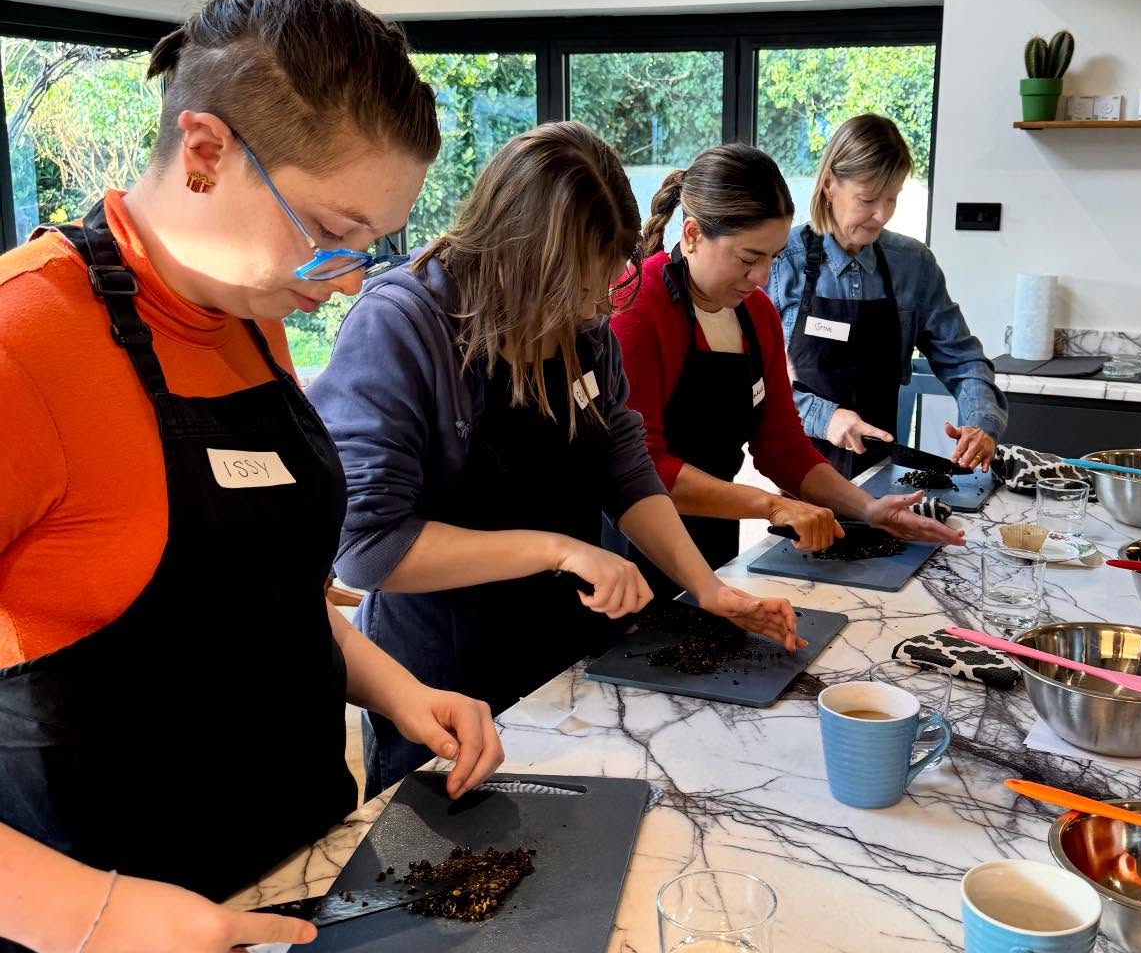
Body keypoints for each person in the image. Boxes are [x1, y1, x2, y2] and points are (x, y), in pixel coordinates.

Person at [0, 0, 505, 953]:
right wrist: (85, 918)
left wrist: (389, 679)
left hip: (285, 909)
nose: (347, 271)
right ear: (208, 153)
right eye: (336, 231)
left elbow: (258, 590)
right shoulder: (23, 344)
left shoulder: (248, 310)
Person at [312, 122, 798, 797]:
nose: (598, 308)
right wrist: (557, 550)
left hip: (561, 655)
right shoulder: (402, 325)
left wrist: (705, 586)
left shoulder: (582, 329)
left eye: (606, 283)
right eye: (579, 288)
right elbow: (366, 548)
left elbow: (626, 464)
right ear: (517, 257)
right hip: (444, 674)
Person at [611, 143, 956, 575]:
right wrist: (771, 507)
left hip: (714, 537)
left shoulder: (756, 314)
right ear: (694, 234)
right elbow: (644, 467)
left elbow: (782, 445)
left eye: (772, 258)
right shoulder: (639, 308)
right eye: (748, 259)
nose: (762, 278)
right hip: (632, 553)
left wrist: (868, 508)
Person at [768, 112, 1007, 476]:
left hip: (878, 476)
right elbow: (752, 384)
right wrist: (825, 417)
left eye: (892, 199)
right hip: (797, 478)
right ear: (830, 184)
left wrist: (980, 423)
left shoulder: (912, 265)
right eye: (868, 200)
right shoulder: (780, 262)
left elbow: (962, 359)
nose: (881, 216)